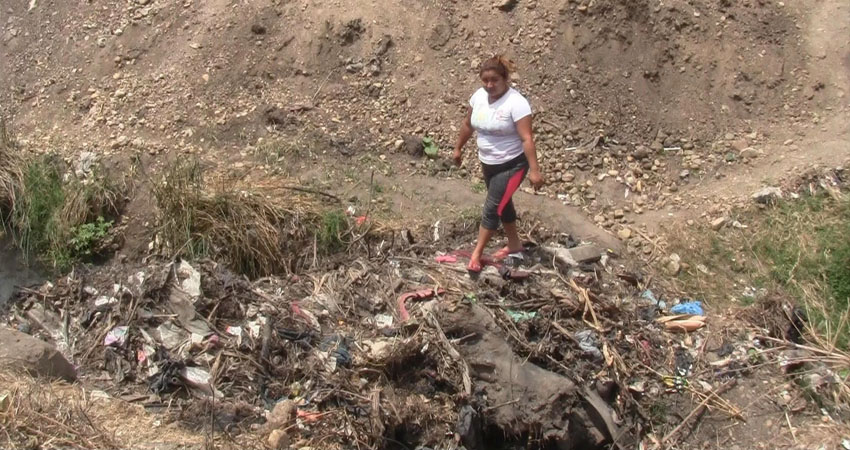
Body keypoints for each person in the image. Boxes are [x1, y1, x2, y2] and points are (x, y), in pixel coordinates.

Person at [453, 55, 544, 275]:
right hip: (489, 162)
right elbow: (468, 124)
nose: (489, 85)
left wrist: (534, 171)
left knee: (493, 207)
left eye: (494, 80)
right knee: (503, 203)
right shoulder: (478, 97)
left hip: (513, 164)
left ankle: (477, 254)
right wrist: (458, 148)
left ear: (505, 79)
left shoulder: (517, 103)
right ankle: (514, 244)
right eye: (485, 80)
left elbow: (526, 138)